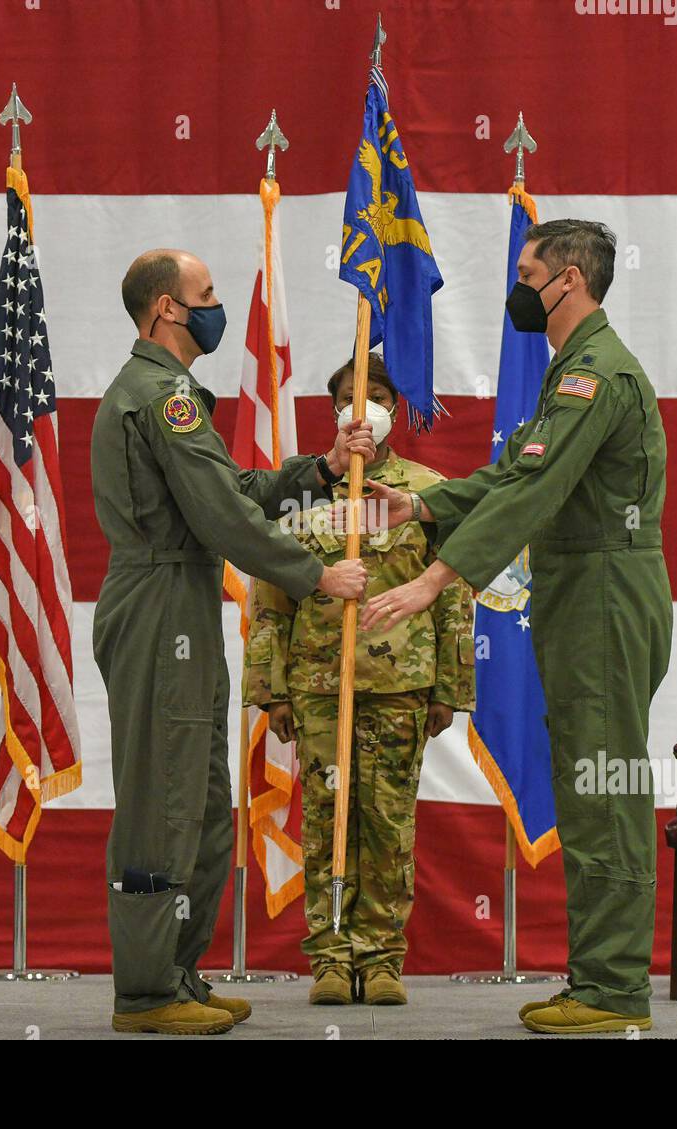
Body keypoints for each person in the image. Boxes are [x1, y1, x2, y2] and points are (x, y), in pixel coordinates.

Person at [358, 220, 673, 1033]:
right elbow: (514, 473)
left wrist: (438, 576)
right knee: (585, 776)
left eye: (528, 271)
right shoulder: (570, 370)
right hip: (582, 592)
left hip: (605, 591)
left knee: (606, 783)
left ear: (568, 280)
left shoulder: (597, 375)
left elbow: (536, 498)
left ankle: (613, 989)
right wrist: (424, 503)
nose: (518, 285)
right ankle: (598, 977)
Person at [92, 248, 372, 1035]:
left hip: (181, 602)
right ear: (165, 310)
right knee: (163, 801)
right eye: (204, 294)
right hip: (158, 602)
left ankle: (177, 970)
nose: (214, 306)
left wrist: (317, 468)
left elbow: (233, 490)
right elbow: (222, 519)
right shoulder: (158, 396)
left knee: (205, 803)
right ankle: (146, 992)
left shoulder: (175, 394)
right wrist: (318, 576)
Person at [243, 354, 475, 1006]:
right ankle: (330, 955)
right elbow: (272, 594)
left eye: (375, 397)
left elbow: (456, 593)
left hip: (400, 685)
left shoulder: (426, 491)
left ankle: (380, 958)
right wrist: (273, 690)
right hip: (320, 685)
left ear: (395, 410)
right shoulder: (302, 492)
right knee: (325, 820)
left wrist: (449, 688)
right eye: (349, 396)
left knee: (386, 824)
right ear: (333, 409)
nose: (362, 408)